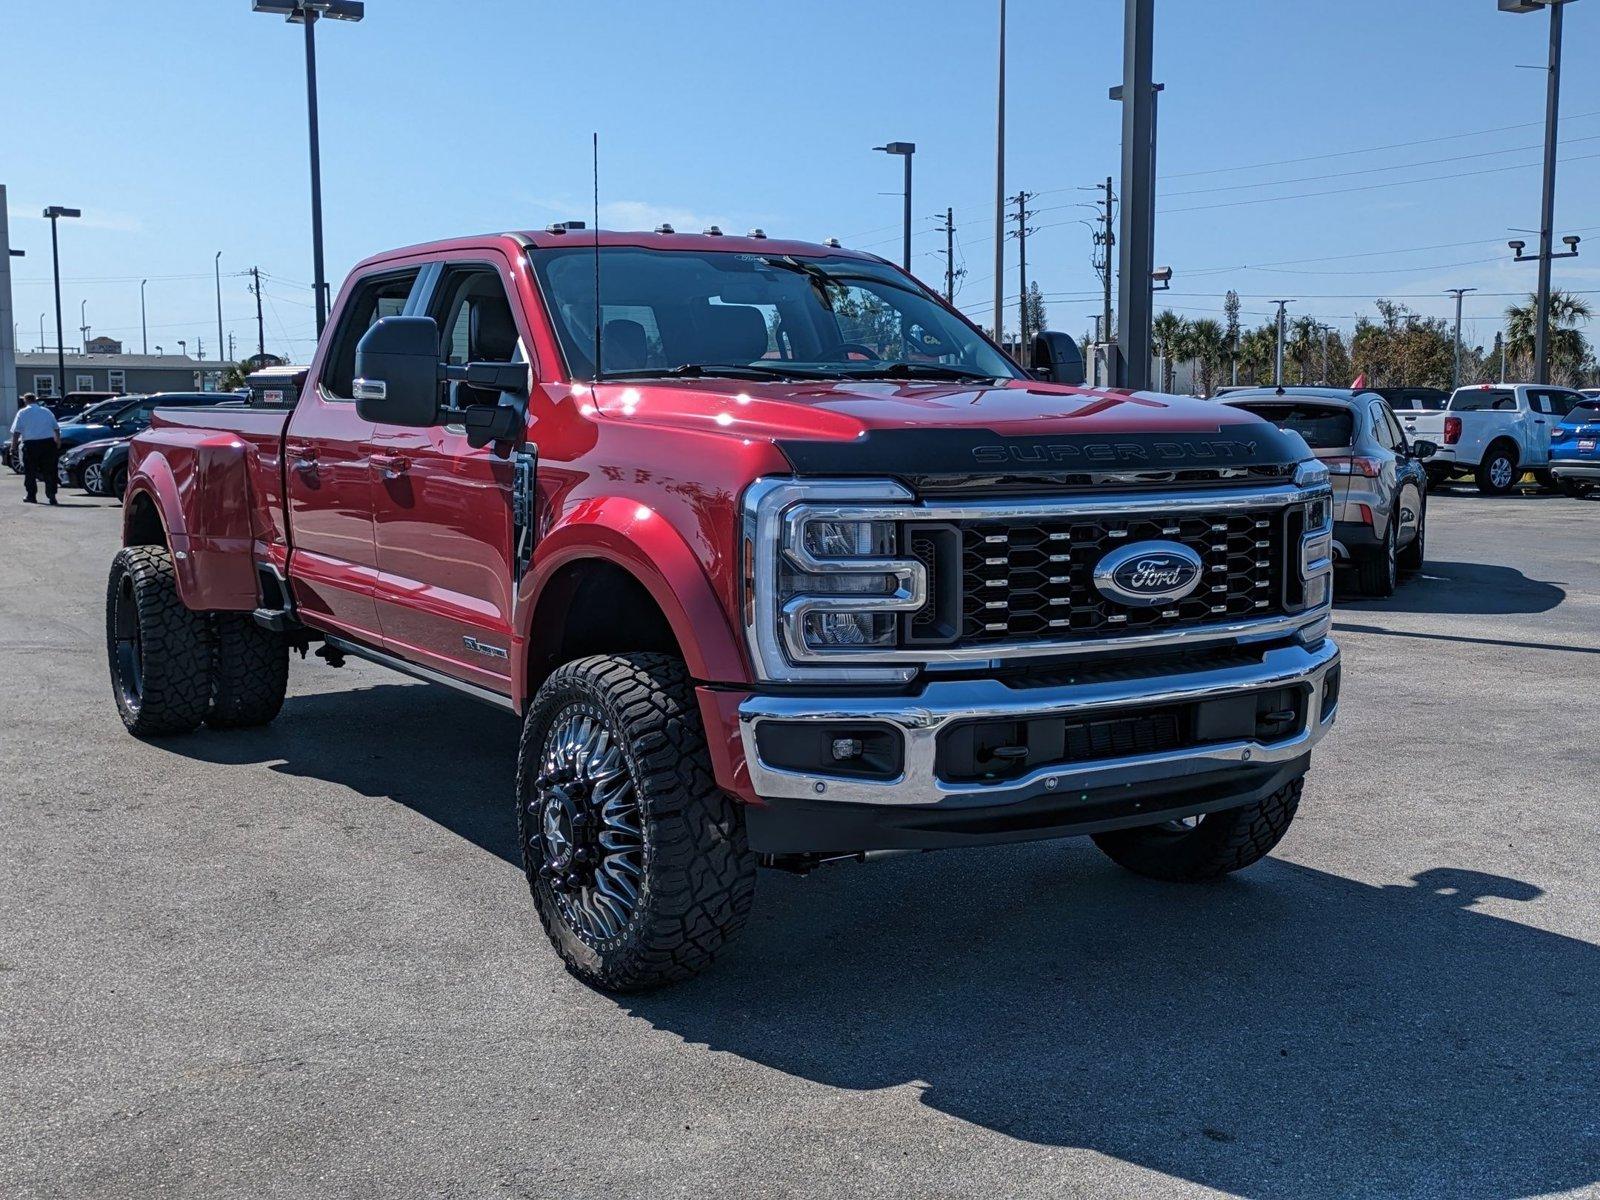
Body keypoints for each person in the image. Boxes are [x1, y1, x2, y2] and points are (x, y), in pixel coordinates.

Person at [9, 393, 62, 505]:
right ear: (36, 400)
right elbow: (56, 428)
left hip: (31, 444)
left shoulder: (22, 412)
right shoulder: (46, 411)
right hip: (48, 444)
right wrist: (57, 442)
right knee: (50, 471)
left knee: (30, 472)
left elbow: (16, 432)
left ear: (25, 401)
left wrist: (13, 447)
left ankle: (31, 495)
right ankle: (52, 496)